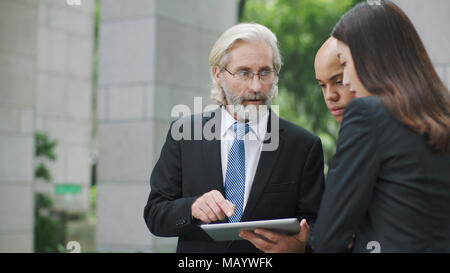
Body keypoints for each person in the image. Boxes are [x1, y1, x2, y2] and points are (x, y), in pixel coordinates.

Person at [143, 23, 325, 253]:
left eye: (265, 72)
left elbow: (320, 229)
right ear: (218, 74)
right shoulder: (183, 134)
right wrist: (193, 208)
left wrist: (299, 248)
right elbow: (155, 214)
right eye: (244, 73)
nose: (256, 86)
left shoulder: (303, 146)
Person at [312, 1, 450, 252]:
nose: (346, 78)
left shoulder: (366, 115)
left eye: (343, 63)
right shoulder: (442, 112)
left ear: (371, 57)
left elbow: (327, 240)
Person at [240, 36, 354, 252]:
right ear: (218, 74)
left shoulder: (307, 146)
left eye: (339, 80)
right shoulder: (188, 135)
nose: (330, 95)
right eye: (322, 85)